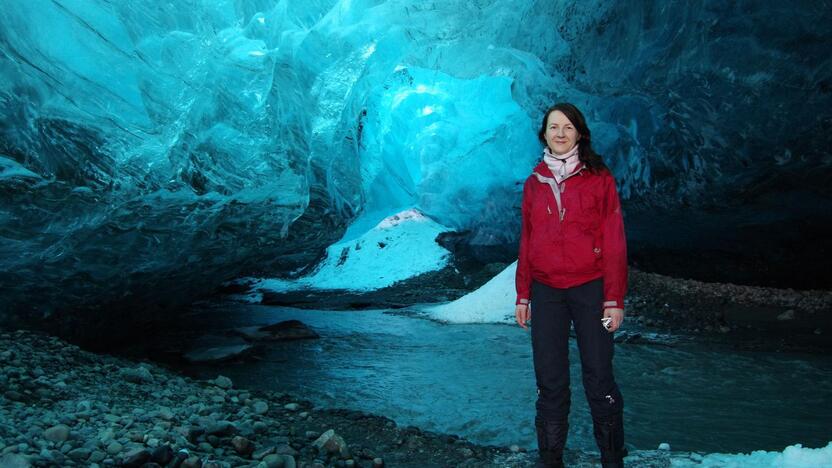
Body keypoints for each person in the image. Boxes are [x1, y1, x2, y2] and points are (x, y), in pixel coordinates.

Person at [514, 103, 628, 468]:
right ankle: (551, 461)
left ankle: (612, 460)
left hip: (590, 290)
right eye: (553, 127)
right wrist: (523, 294)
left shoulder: (599, 178)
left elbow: (614, 240)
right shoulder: (534, 183)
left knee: (599, 376)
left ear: (579, 133)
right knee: (549, 380)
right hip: (546, 292)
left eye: (567, 127)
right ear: (543, 134)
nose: (560, 133)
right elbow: (527, 239)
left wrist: (614, 299)